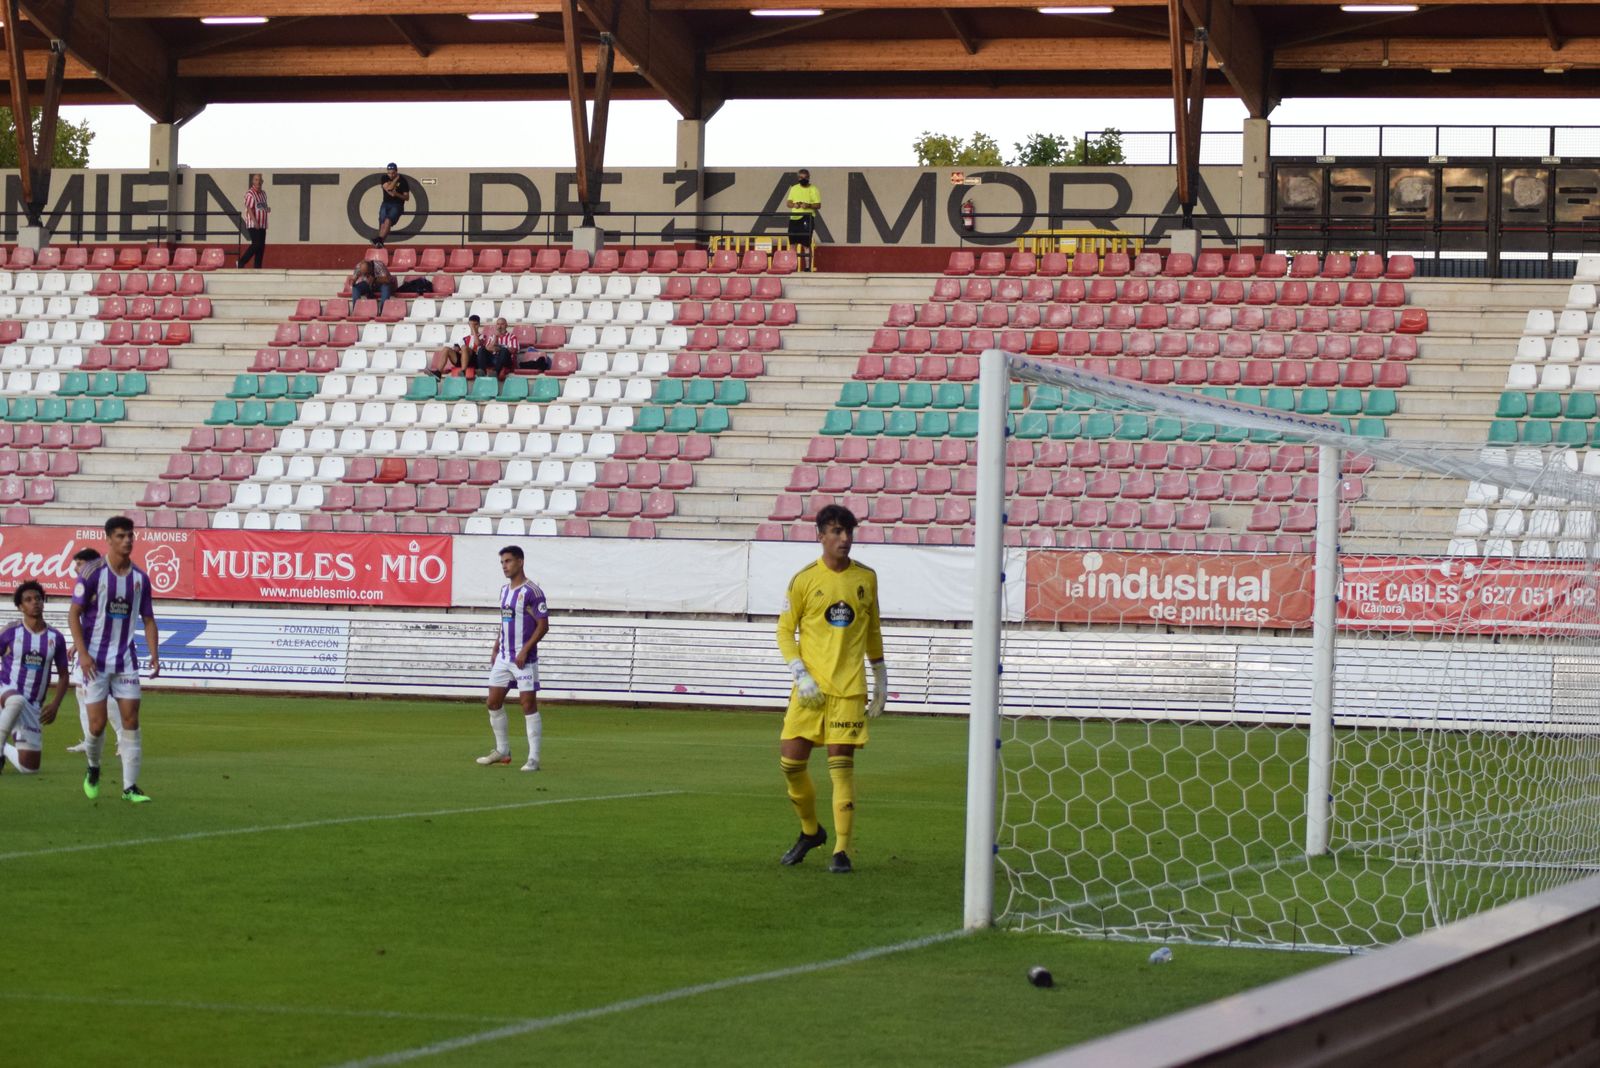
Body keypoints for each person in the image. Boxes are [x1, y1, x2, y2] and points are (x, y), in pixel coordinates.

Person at [774, 504, 887, 874]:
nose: (845, 539)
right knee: (790, 763)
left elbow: (872, 631)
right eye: (837, 532)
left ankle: (841, 850)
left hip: (848, 690)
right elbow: (784, 631)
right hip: (810, 691)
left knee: (841, 767)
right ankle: (811, 832)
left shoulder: (866, 578)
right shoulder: (804, 579)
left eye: (849, 532)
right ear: (819, 535)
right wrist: (799, 674)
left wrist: (881, 677)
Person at [68, 515, 160, 804]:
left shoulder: (140, 579)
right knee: (95, 726)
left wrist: (155, 654)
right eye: (120, 536)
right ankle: (93, 768)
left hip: (125, 661)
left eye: (130, 535)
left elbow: (148, 619)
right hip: (94, 661)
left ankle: (130, 787)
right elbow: (74, 614)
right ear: (108, 539)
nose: (127, 540)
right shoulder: (93, 573)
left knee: (131, 720)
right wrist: (83, 653)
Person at [476, 545, 549, 772]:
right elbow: (504, 620)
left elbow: (543, 625)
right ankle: (503, 750)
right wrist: (496, 646)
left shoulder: (532, 592)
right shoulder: (504, 591)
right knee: (493, 702)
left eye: (508, 561)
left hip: (523, 658)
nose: (504, 566)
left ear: (520, 562)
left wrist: (525, 650)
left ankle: (534, 759)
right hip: (504, 657)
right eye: (502, 563)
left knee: (527, 704)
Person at [0, 581, 69, 777]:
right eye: (28, 600)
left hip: (33, 706)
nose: (35, 603)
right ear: (21, 607)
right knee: (16, 700)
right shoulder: (10, 632)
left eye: (38, 598)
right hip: (6, 691)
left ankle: (4, 748)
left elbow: (64, 675)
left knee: (29, 768)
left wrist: (55, 704)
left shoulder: (56, 637)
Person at [64, 548, 122, 757]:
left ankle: (123, 736)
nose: (75, 567)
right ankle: (90, 740)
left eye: (79, 563)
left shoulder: (104, 584)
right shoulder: (84, 585)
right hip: (88, 646)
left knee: (100, 694)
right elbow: (87, 620)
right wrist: (77, 645)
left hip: (102, 648)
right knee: (81, 691)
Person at [784, 168, 822, 272]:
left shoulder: (814, 189)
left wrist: (808, 205)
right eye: (801, 178)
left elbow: (818, 205)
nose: (803, 179)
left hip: (807, 217)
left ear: (809, 178)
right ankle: (792, 267)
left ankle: (807, 267)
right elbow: (788, 203)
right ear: (798, 178)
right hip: (794, 218)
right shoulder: (794, 188)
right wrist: (795, 205)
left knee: (806, 244)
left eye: (805, 178)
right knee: (792, 244)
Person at [428, 314, 483, 380]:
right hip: (462, 359)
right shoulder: (464, 338)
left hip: (474, 360)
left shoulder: (482, 336)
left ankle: (463, 371)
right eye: (472, 325)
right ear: (469, 324)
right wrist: (457, 350)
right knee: (446, 349)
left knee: (465, 348)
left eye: (475, 324)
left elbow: (478, 343)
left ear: (479, 324)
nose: (473, 326)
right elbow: (460, 350)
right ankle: (438, 373)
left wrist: (473, 329)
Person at [373, 162, 410, 248]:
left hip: (397, 204)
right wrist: (396, 179)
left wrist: (396, 194)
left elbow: (407, 197)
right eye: (389, 173)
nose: (391, 175)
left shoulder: (403, 181)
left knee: (388, 220)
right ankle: (380, 242)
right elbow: (389, 188)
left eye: (393, 173)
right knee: (382, 222)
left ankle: (379, 240)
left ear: (397, 171)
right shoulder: (384, 178)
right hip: (385, 203)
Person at [237, 172, 270, 269]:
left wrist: (267, 209)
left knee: (261, 246)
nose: (258, 182)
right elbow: (249, 208)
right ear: (253, 181)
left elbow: (262, 206)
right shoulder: (250, 194)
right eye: (256, 179)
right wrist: (255, 221)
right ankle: (241, 262)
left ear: (262, 181)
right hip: (253, 223)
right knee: (256, 244)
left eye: (260, 180)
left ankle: (257, 267)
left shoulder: (263, 194)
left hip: (262, 224)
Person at [475, 317, 520, 384]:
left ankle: (496, 372)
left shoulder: (512, 336)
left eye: (502, 324)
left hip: (506, 360)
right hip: (493, 359)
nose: (500, 326)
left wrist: (500, 348)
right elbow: (487, 348)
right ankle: (482, 370)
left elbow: (513, 350)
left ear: (506, 325)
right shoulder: (492, 336)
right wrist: (495, 338)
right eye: (498, 324)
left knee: (504, 350)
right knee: (481, 349)